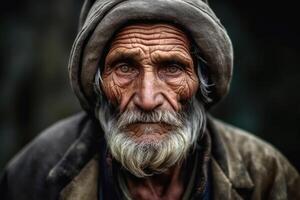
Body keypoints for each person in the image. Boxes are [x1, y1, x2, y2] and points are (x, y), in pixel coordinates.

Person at [1, 0, 299, 199]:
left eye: (171, 68)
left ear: (201, 81)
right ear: (98, 83)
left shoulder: (267, 175)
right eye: (125, 67)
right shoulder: (35, 174)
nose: (146, 98)